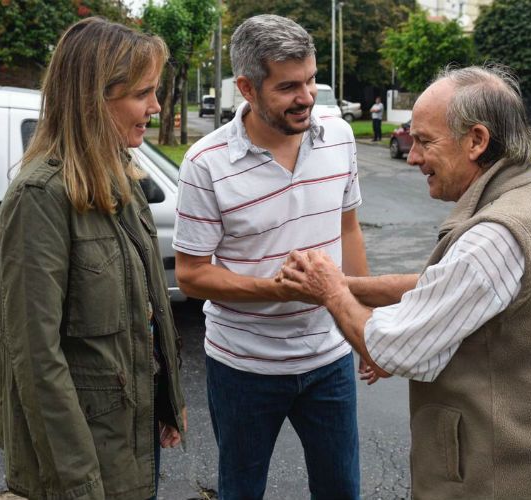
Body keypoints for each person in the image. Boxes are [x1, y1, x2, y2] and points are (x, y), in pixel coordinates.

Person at [281, 65, 531, 499]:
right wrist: (346, 284)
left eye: (425, 141)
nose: (413, 156)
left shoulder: (497, 235)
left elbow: (394, 348)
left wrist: (329, 291)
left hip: (512, 482)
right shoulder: (526, 204)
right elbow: (444, 287)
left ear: (476, 140)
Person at [173, 14, 368, 500]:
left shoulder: (339, 137)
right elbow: (192, 276)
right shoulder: (205, 164)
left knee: (342, 489)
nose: (306, 98)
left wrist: (364, 326)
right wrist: (275, 291)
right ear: (247, 87)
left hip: (329, 357)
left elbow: (348, 228)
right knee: (241, 490)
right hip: (244, 365)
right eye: (287, 87)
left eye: (310, 81)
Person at [0, 17, 186, 500]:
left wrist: (169, 401)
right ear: (94, 99)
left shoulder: (124, 178)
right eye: (143, 93)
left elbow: (152, 310)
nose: (156, 107)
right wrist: (78, 482)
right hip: (85, 460)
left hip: (133, 438)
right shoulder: (40, 197)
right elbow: (35, 360)